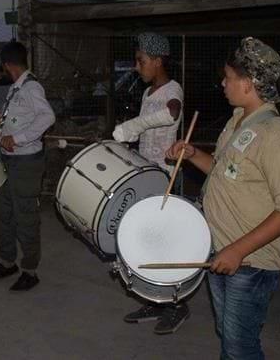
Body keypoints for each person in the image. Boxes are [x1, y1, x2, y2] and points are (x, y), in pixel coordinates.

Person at [165, 37, 280, 358]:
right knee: (229, 335)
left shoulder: (274, 135)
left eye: (228, 77)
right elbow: (222, 170)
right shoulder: (238, 120)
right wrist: (193, 153)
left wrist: (237, 251)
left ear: (248, 83)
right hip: (224, 250)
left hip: (250, 262)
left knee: (240, 345)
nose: (223, 83)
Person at [112, 32, 187, 334]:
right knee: (147, 244)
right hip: (147, 176)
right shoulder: (147, 94)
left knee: (167, 247)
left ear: (157, 61)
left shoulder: (173, 90)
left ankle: (177, 306)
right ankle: (154, 300)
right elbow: (149, 137)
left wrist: (135, 125)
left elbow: (171, 115)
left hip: (166, 179)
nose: (136, 66)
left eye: (141, 61)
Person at [0, 41, 55, 291]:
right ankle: (8, 261)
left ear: (6, 65)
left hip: (25, 163)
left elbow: (47, 117)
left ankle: (30, 270)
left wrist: (18, 139)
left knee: (25, 218)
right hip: (8, 162)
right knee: (2, 215)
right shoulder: (16, 88)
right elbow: (17, 120)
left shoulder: (32, 87)